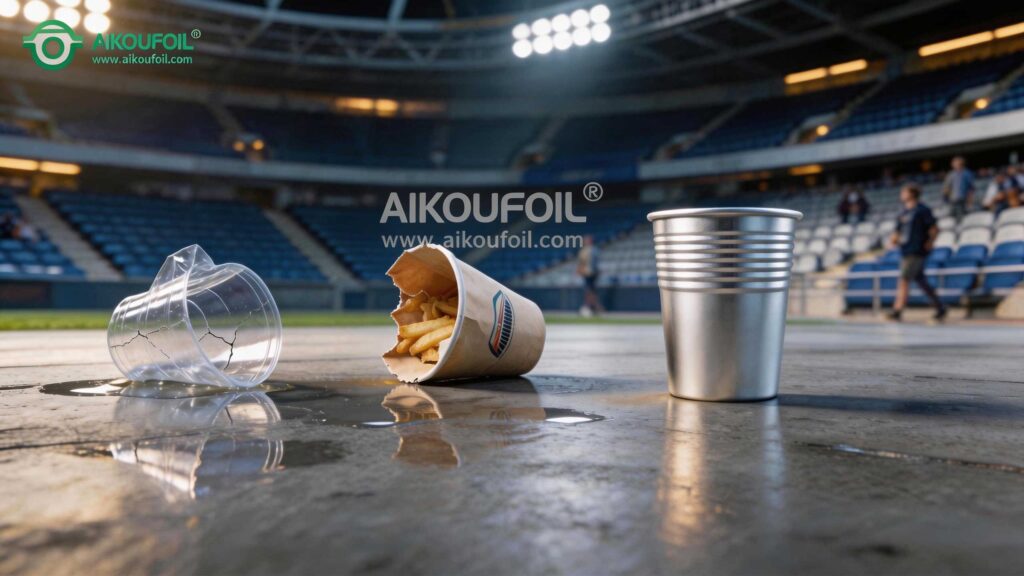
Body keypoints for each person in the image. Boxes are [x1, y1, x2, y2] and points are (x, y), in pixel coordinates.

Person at [887, 183, 946, 322]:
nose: (901, 194)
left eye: (904, 192)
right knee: (921, 281)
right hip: (906, 250)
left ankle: (897, 310)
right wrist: (894, 240)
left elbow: (934, 228)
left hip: (917, 251)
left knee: (904, 279)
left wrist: (930, 242)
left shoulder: (922, 210)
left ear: (912, 194)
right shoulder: (903, 212)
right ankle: (940, 307)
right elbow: (897, 232)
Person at [576, 235, 605, 316]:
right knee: (589, 291)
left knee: (590, 291)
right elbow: (581, 263)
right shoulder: (584, 251)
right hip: (586, 273)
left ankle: (593, 307)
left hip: (591, 273)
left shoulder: (593, 250)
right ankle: (592, 307)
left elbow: (595, 263)